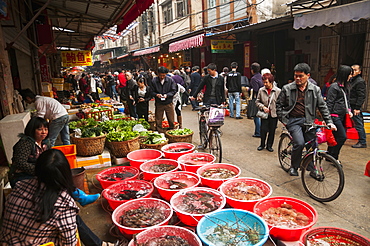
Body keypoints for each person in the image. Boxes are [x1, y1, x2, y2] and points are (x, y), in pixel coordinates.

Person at [1, 149, 113, 246]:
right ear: (66, 173)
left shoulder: (20, 186)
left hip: (6, 242)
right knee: (70, 219)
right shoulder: (63, 204)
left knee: (73, 218)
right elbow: (69, 243)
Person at [276, 63, 336, 177]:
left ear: (308, 75)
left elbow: (322, 106)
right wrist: (284, 120)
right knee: (299, 143)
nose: (298, 78)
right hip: (293, 121)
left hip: (309, 121)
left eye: (301, 76)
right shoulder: (287, 88)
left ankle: (312, 169)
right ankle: (294, 167)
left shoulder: (315, 89)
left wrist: (329, 122)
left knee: (313, 146)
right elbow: (279, 105)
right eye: (296, 76)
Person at [326, 65, 353, 162]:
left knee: (337, 136)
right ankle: (334, 156)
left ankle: (329, 155)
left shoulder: (346, 86)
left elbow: (348, 100)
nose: (351, 76)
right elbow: (329, 102)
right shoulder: (334, 87)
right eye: (349, 74)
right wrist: (327, 118)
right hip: (334, 115)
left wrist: (349, 110)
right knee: (342, 137)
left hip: (343, 115)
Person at [256, 73, 281, 152]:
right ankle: (262, 144)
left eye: (266, 82)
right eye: (264, 82)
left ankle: (269, 145)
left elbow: (281, 103)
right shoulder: (261, 90)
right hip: (264, 114)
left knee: (272, 130)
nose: (265, 84)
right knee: (263, 130)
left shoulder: (278, 91)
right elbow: (257, 101)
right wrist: (263, 107)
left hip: (274, 114)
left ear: (271, 82)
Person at [151, 66, 177, 133]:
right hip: (159, 103)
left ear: (166, 74)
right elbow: (151, 91)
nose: (162, 77)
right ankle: (160, 132)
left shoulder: (170, 80)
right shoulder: (154, 81)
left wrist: (167, 95)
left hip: (168, 103)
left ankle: (171, 131)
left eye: (163, 75)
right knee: (158, 119)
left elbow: (174, 90)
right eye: (160, 75)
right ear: (158, 74)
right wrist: (156, 95)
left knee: (171, 119)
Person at [349, 64, 367, 148]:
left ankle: (362, 142)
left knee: (358, 124)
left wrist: (357, 107)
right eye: (352, 69)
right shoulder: (351, 80)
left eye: (355, 70)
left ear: (359, 72)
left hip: (354, 106)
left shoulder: (359, 81)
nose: (353, 71)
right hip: (351, 105)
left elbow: (361, 96)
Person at [250, 62, 264, 137]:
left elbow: (256, 89)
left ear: (252, 70)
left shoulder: (254, 78)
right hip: (264, 98)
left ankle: (258, 132)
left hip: (257, 98)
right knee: (262, 115)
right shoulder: (261, 77)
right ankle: (262, 131)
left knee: (256, 116)